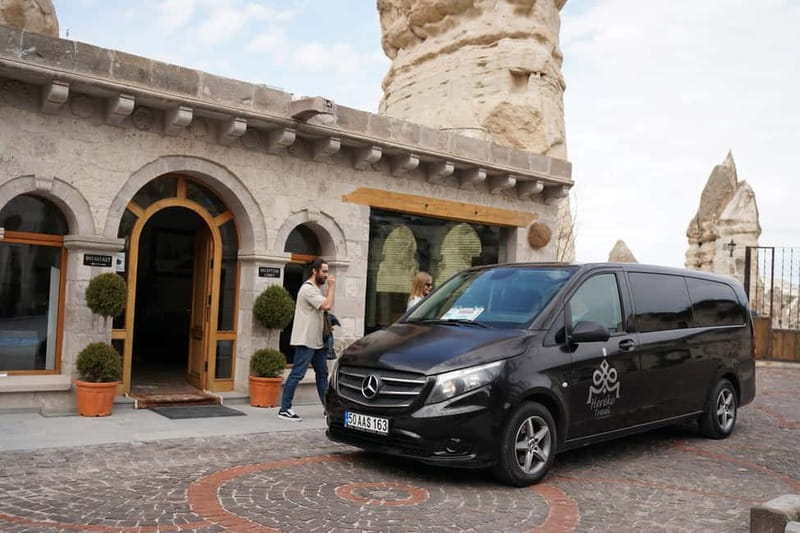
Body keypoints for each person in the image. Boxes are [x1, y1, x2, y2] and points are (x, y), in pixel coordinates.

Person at [278, 258, 335, 421]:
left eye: (327, 271)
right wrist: (331, 287)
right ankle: (285, 408)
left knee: (322, 373)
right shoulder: (308, 289)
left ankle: (327, 407)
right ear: (314, 271)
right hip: (305, 340)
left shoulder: (315, 289)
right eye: (324, 271)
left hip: (316, 341)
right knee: (297, 373)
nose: (326, 275)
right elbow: (327, 305)